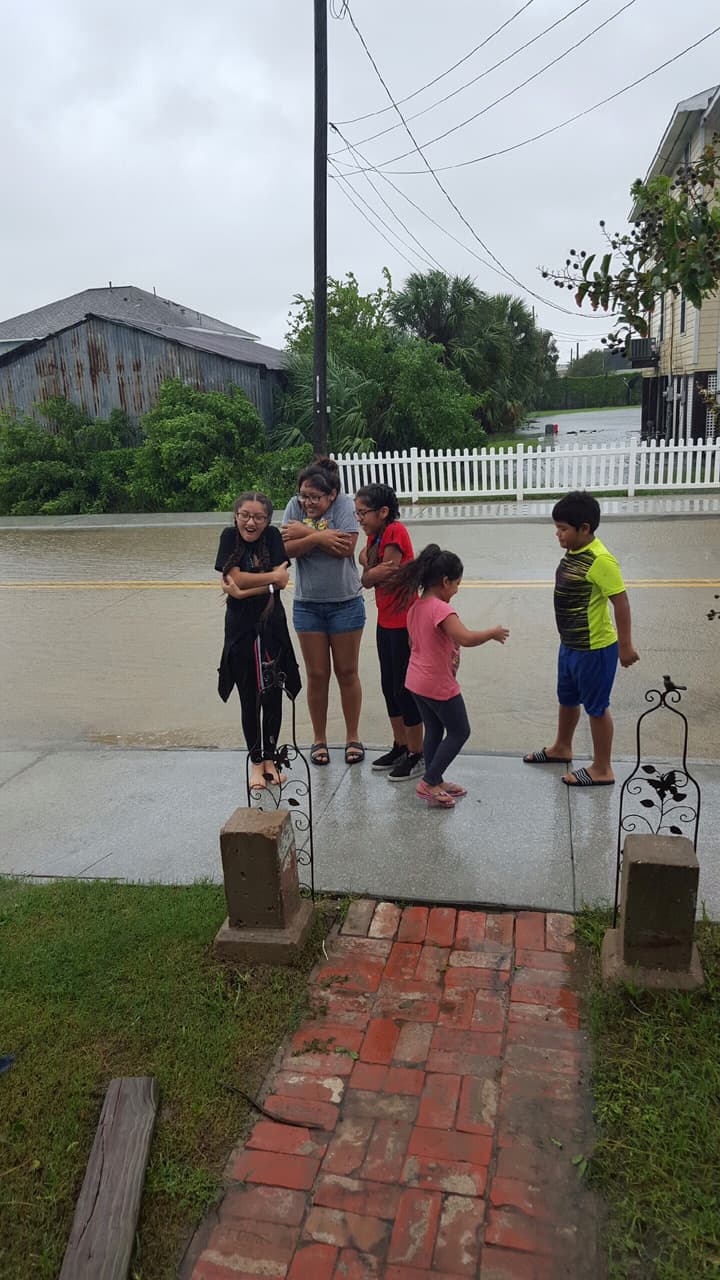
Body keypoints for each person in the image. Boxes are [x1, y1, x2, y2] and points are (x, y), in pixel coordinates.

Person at [523, 490, 639, 787]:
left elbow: (621, 602)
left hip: (595, 648)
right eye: (557, 528)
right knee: (567, 698)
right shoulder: (575, 551)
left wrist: (625, 646)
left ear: (584, 528)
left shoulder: (601, 560)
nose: (558, 535)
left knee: (597, 708)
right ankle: (562, 747)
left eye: (563, 529)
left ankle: (603, 768)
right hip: (571, 645)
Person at [392, 544, 510, 809]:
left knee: (434, 728)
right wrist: (491, 633)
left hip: (416, 681)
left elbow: (413, 644)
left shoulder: (416, 608)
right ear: (445, 581)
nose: (457, 590)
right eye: (457, 584)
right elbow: (465, 638)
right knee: (460, 731)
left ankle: (436, 779)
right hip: (438, 683)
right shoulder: (441, 609)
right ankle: (429, 781)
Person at [281, 457, 365, 767]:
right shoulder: (294, 506)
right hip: (308, 605)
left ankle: (352, 736)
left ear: (331, 495)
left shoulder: (343, 504)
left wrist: (302, 534)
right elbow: (284, 551)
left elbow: (346, 548)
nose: (308, 502)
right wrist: (318, 536)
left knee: (347, 672)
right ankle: (319, 739)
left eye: (315, 497)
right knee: (317, 675)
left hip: (345, 602)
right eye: (304, 496)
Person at [215, 492, 300, 790]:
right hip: (240, 630)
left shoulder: (273, 537)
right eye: (245, 515)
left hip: (271, 626)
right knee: (249, 697)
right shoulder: (228, 538)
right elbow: (237, 577)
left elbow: (281, 580)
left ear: (267, 520)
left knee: (272, 694)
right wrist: (259, 583)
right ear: (236, 515)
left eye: (259, 517)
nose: (251, 522)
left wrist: (242, 589)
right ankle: (255, 763)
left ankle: (272, 760)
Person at [355, 482, 424, 781]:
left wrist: (369, 568)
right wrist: (370, 568)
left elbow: (385, 574)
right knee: (389, 686)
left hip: (405, 623)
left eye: (363, 513)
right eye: (356, 513)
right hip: (386, 622)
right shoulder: (377, 535)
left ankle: (417, 752)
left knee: (405, 689)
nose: (359, 519)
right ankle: (400, 744)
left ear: (383, 512)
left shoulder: (394, 531)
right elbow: (371, 569)